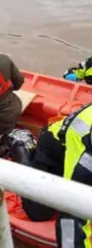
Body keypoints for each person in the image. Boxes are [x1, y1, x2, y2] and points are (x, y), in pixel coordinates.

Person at [18, 103, 92, 248]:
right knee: (37, 211)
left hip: (75, 146)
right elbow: (72, 208)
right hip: (55, 150)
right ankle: (22, 146)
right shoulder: (87, 140)